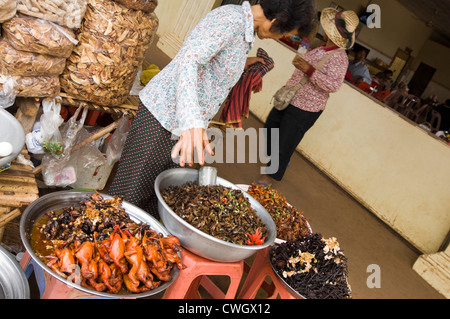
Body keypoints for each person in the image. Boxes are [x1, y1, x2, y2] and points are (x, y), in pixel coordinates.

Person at [108, 0, 316, 219]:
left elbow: (215, 58)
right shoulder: (229, 20)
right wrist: (193, 124)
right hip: (164, 116)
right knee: (129, 196)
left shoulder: (245, 31)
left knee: (157, 194)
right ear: (276, 21)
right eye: (284, 34)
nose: (279, 39)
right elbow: (189, 62)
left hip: (183, 125)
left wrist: (245, 63)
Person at [257, 8, 359, 186]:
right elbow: (306, 65)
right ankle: (282, 158)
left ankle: (269, 177)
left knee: (284, 142)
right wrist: (301, 60)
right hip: (291, 96)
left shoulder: (340, 58)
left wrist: (309, 70)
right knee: (271, 127)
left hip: (306, 107)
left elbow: (333, 86)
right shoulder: (322, 48)